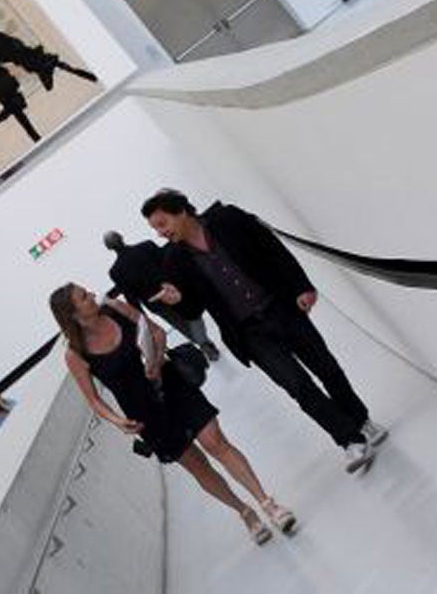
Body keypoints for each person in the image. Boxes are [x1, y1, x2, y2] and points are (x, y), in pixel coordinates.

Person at [142, 189, 388, 474]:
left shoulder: (227, 218)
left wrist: (301, 287)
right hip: (250, 334)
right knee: (298, 386)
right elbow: (193, 309)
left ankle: (361, 420)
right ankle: (349, 441)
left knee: (326, 367)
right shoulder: (174, 260)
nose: (161, 233)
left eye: (162, 224)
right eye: (155, 229)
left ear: (181, 211)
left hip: (281, 307)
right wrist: (178, 300)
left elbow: (273, 249)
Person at [48, 282, 298, 546]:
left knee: (216, 443)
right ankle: (244, 512)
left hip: (172, 386)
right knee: (198, 467)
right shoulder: (75, 355)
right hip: (146, 415)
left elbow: (156, 332)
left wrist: (154, 362)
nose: (91, 294)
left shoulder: (117, 309)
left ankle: (268, 504)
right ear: (74, 315)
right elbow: (94, 401)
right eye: (83, 296)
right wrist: (118, 421)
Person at [103, 229, 221, 362]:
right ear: (121, 237)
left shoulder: (116, 271)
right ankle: (205, 343)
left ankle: (205, 346)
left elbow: (131, 297)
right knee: (191, 317)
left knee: (181, 325)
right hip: (171, 290)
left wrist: (142, 319)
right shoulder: (146, 246)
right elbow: (168, 263)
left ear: (109, 248)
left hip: (156, 303)